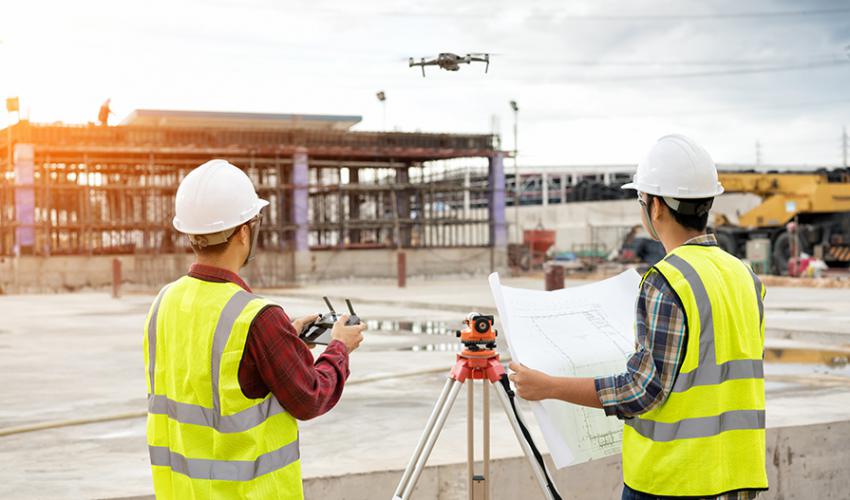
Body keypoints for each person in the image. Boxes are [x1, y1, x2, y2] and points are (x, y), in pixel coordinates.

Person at [509, 135, 767, 499]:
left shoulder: (667, 281)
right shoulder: (745, 276)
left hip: (674, 480)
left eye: (641, 199)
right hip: (737, 477)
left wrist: (549, 386)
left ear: (656, 207)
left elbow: (641, 390)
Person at [143, 159, 366, 499]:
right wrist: (339, 347)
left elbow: (211, 375)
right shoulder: (257, 317)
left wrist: (284, 337)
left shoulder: (164, 301)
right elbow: (310, 397)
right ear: (245, 230)